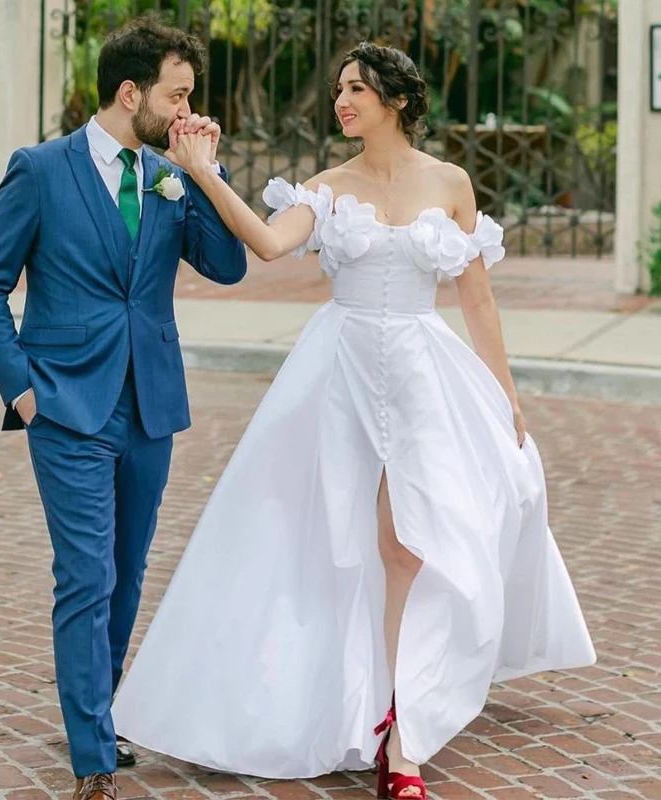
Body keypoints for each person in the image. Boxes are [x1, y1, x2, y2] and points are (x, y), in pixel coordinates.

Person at [111, 42, 596, 799]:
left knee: (410, 544)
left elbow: (476, 297)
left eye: (357, 89)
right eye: (339, 88)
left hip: (422, 375)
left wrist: (505, 392)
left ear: (396, 100)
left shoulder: (450, 182)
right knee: (326, 540)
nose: (341, 101)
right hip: (338, 372)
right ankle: (353, 706)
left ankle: (402, 736)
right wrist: (203, 173)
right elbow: (268, 244)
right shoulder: (327, 186)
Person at [0, 17, 247, 800]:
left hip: (150, 405)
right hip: (66, 405)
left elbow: (226, 266)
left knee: (125, 573)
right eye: (177, 96)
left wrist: (204, 173)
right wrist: (23, 390)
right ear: (131, 93)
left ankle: (102, 710)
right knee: (85, 574)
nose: (189, 111)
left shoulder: (169, 175)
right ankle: (93, 756)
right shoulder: (40, 171)